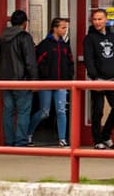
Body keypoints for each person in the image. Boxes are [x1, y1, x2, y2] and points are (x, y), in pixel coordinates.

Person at [83, 7, 114, 149]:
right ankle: (97, 141)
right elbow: (88, 60)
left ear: (106, 20)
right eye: (94, 19)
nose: (97, 22)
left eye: (100, 19)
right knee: (98, 111)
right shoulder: (89, 38)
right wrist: (94, 77)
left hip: (112, 79)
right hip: (97, 80)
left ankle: (106, 135)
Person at [0, 9, 38, 146]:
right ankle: (20, 141)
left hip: (6, 80)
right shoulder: (24, 37)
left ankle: (9, 141)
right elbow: (30, 61)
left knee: (8, 112)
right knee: (23, 112)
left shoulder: (2, 38)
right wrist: (34, 82)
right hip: (22, 80)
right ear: (25, 23)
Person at [29, 16, 73, 146]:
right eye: (63, 27)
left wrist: (69, 78)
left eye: (66, 27)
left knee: (61, 111)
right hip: (46, 83)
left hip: (62, 83)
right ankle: (29, 133)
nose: (65, 30)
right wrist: (39, 80)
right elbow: (37, 63)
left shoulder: (65, 46)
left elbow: (70, 63)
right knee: (44, 111)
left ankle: (62, 138)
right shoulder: (44, 45)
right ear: (55, 28)